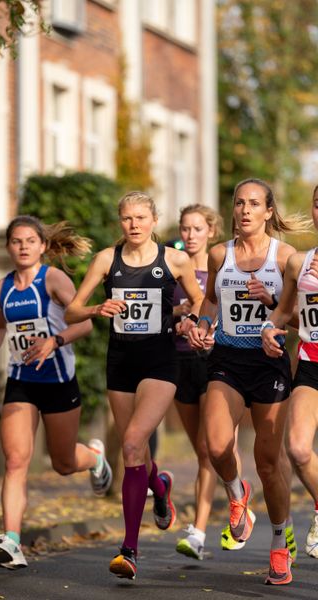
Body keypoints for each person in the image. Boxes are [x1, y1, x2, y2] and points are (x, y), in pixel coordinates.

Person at [65, 191, 204, 580]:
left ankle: (129, 551)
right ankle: (159, 486)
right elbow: (73, 308)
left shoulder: (174, 260)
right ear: (120, 221)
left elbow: (198, 298)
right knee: (135, 449)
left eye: (141, 217)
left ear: (154, 220)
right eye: (127, 218)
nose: (134, 225)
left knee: (129, 445)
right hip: (121, 361)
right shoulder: (106, 260)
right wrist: (96, 308)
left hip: (160, 361)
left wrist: (189, 318)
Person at [186, 178, 309, 585]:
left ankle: (278, 544)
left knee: (269, 463)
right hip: (227, 358)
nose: (244, 210)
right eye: (239, 203)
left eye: (254, 204)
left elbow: (296, 318)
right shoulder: (220, 255)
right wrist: (204, 323)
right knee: (217, 445)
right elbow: (209, 301)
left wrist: (270, 303)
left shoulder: (287, 258)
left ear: (269, 212)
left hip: (269, 363)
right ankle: (238, 495)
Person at [0, 216, 112, 570]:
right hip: (21, 381)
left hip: (58, 380)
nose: (22, 246)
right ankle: (11, 541)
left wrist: (54, 341)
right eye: (16, 241)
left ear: (42, 246)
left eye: (29, 241)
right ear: (8, 247)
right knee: (16, 460)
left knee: (63, 463)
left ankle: (95, 459)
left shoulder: (52, 279)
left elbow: (83, 321)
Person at [172, 204, 246, 560]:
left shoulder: (220, 267)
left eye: (196, 229)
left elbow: (227, 307)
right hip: (180, 360)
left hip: (216, 362)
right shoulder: (172, 268)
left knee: (208, 449)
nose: (189, 235)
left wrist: (205, 320)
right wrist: (179, 317)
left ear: (210, 232)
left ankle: (199, 531)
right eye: (185, 228)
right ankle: (238, 500)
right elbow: (160, 311)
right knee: (203, 450)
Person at [261, 184, 318, 560]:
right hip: (312, 363)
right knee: (297, 448)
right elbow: (284, 311)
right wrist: (270, 326)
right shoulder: (301, 262)